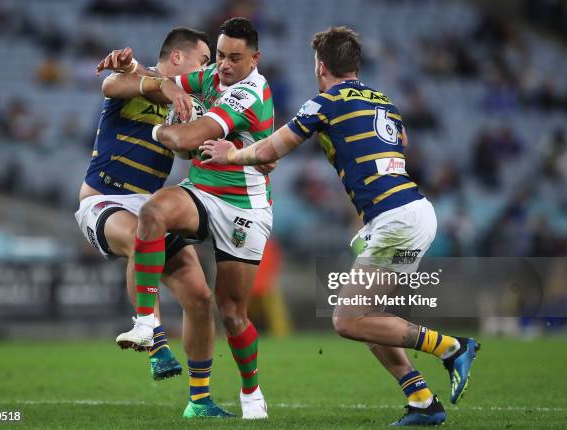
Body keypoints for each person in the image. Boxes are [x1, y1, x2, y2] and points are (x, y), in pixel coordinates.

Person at [200, 26, 481, 426]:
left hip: (396, 220)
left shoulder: (323, 103)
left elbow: (269, 149)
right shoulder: (384, 100)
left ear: (320, 66)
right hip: (412, 212)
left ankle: (452, 347)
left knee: (347, 320)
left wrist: (231, 154)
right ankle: (421, 400)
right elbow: (398, 140)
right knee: (370, 320)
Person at [116, 17, 273, 419]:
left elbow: (186, 139)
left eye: (234, 58)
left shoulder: (252, 92)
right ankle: (147, 320)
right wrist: (130, 67)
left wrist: (161, 132)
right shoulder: (209, 77)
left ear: (254, 58)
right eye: (220, 55)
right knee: (153, 212)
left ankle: (251, 391)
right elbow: (158, 80)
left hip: (243, 207)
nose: (223, 65)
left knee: (233, 312)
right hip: (203, 192)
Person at [76, 28, 233, 418]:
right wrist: (152, 78)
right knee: (138, 239)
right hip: (104, 200)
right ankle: (156, 341)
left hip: (151, 207)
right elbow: (112, 83)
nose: (206, 69)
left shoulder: (187, 101)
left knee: (200, 297)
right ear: (177, 58)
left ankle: (200, 401)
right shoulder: (137, 79)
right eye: (202, 61)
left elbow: (187, 148)